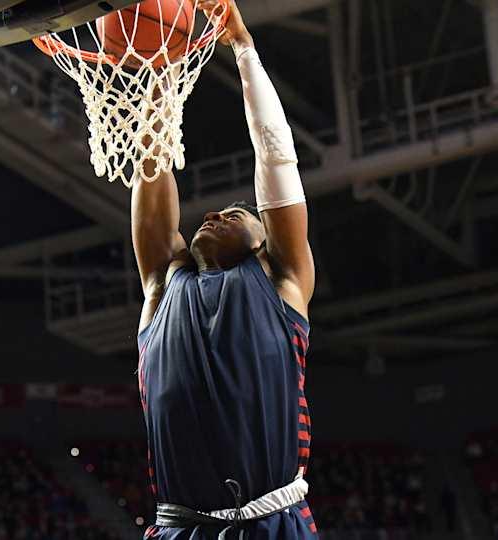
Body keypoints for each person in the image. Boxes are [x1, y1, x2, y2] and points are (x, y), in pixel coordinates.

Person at [133, 1, 317, 537]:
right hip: (180, 527)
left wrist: (243, 49)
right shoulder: (163, 284)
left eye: (236, 214)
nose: (213, 214)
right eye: (214, 213)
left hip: (270, 521)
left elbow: (277, 159)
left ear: (265, 243)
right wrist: (159, 71)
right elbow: (152, 162)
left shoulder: (281, 280)